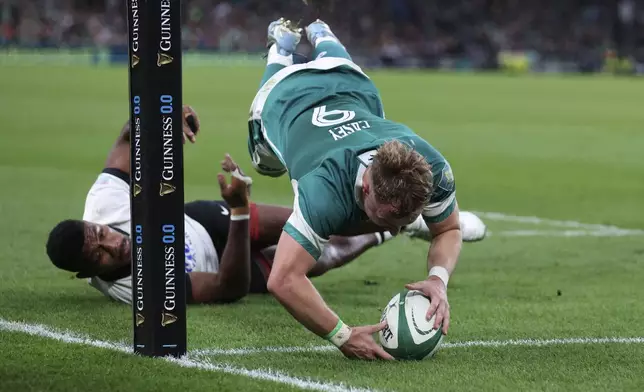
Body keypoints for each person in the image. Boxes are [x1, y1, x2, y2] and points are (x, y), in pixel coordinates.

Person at [247, 18, 478, 360]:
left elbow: (448, 228)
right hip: (286, 98)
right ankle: (280, 50)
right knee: (264, 163)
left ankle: (323, 34)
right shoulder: (324, 190)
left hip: (351, 84)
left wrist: (438, 279)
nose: (397, 228)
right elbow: (282, 279)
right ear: (367, 184)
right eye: (389, 219)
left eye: (406, 220)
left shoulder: (434, 168)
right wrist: (341, 335)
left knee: (340, 66)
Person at [45, 106, 428, 305]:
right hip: (223, 266)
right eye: (99, 256)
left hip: (199, 223)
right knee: (322, 259)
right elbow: (229, 287)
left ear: (94, 222)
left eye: (100, 234)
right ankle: (389, 228)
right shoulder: (140, 289)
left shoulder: (104, 202)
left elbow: (126, 141)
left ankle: (402, 216)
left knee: (313, 225)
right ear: (88, 274)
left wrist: (159, 121)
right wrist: (242, 211)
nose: (112, 244)